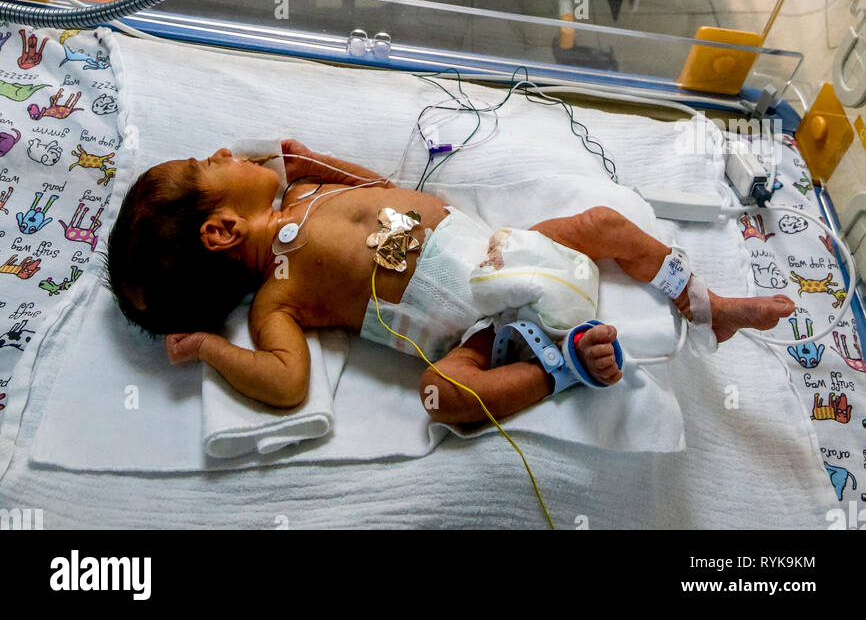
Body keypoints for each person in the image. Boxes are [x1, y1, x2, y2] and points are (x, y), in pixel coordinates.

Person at [106, 140, 794, 424]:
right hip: (478, 333)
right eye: (209, 162)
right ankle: (562, 368)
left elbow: (380, 186)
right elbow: (287, 386)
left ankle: (710, 305)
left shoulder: (308, 186)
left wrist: (306, 161)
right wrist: (209, 347)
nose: (227, 150)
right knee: (441, 396)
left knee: (602, 224)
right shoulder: (277, 299)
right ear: (222, 231)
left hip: (506, 251)